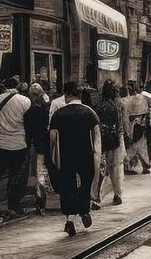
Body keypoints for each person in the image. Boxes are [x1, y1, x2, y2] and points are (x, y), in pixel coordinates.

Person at [50, 88, 100, 236]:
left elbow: (52, 137)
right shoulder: (90, 113)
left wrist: (53, 157)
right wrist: (98, 158)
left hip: (66, 156)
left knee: (67, 185)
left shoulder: (59, 113)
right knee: (86, 182)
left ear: (67, 97)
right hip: (86, 155)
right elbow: (97, 138)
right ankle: (84, 210)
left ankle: (69, 219)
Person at [0, 77, 32, 223]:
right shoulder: (24, 101)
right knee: (17, 176)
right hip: (19, 144)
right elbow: (28, 123)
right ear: (17, 87)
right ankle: (13, 204)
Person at [95, 81, 126, 206]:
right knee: (116, 168)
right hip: (115, 140)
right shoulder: (118, 105)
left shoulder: (98, 106)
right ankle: (117, 194)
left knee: (100, 169)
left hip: (101, 141)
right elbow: (120, 125)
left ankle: (97, 198)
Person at [25, 83, 52, 213]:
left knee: (38, 172)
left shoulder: (30, 112)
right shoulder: (46, 110)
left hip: (36, 145)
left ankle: (41, 199)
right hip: (47, 144)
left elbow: (28, 132)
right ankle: (42, 196)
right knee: (42, 171)